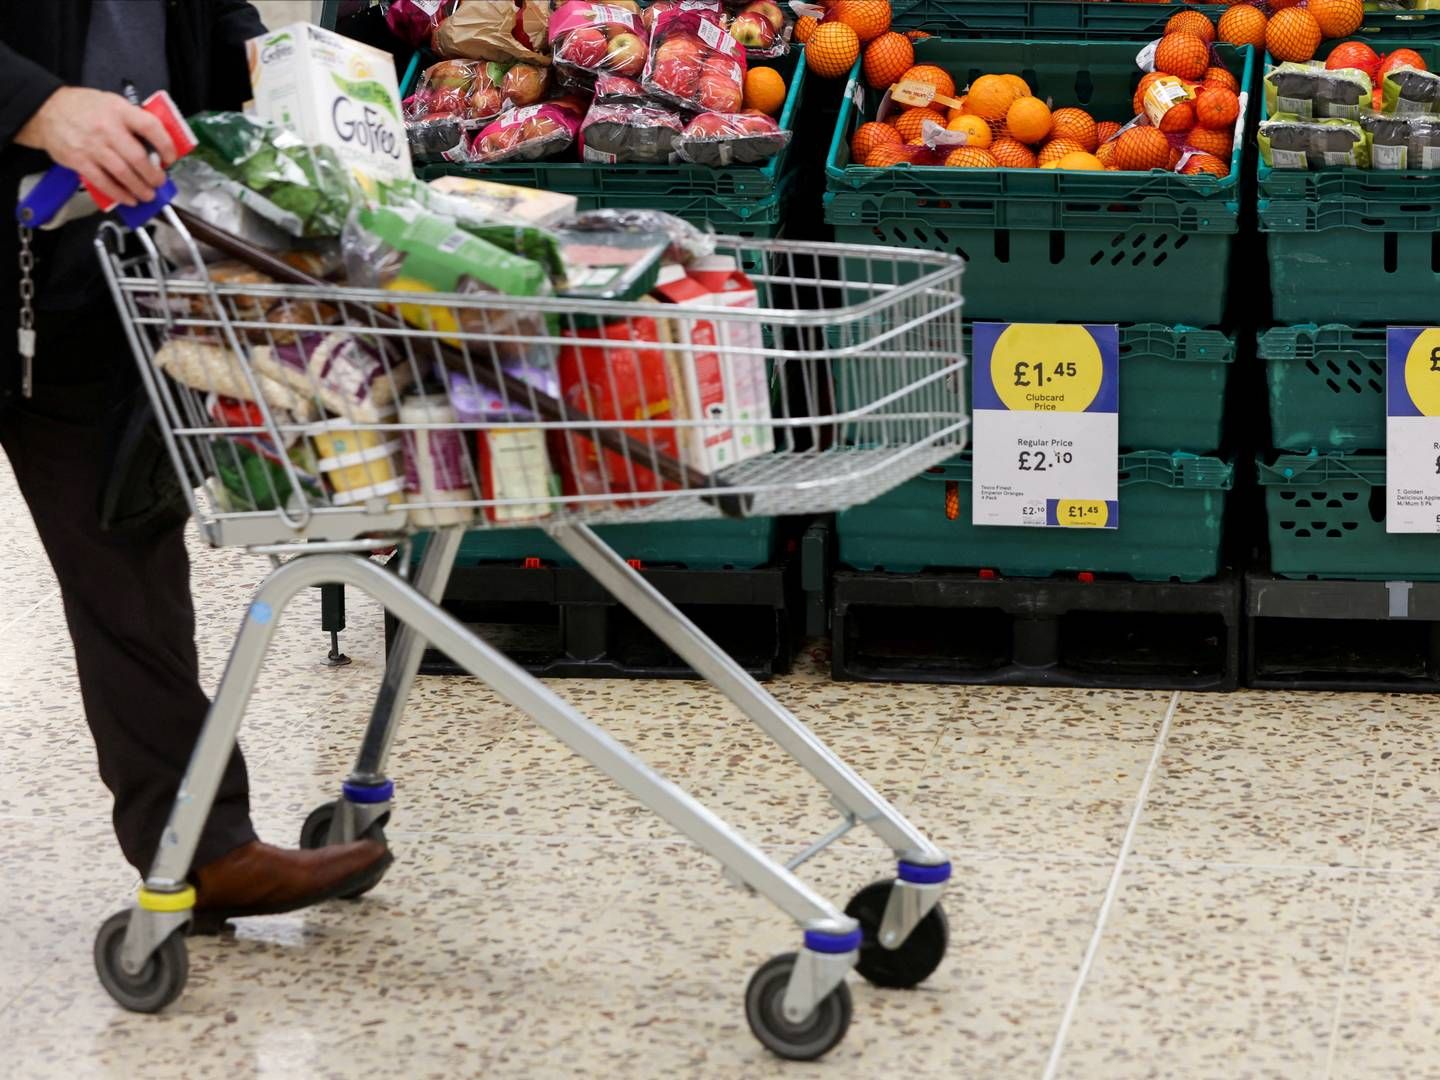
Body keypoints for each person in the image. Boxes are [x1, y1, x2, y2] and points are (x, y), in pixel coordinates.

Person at [0, 1, 389, 931]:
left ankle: (201, 849)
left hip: (87, 269)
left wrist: (305, 93)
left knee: (127, 562)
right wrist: (38, 104)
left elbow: (212, 27)